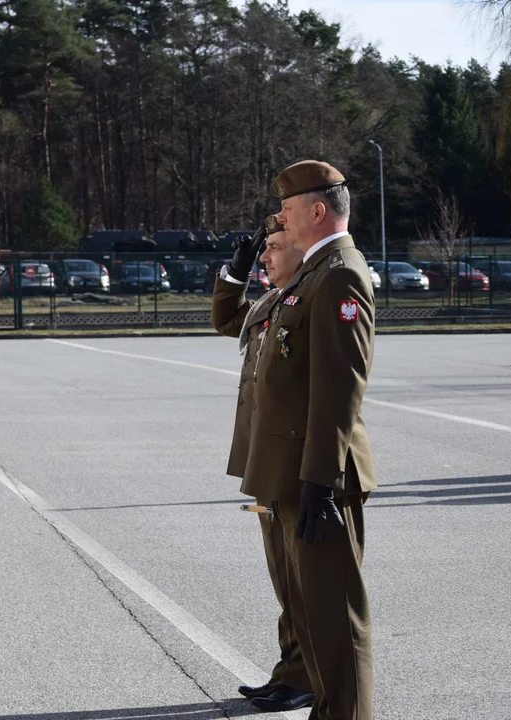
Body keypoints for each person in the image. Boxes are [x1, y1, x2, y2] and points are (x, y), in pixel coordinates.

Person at [244, 160, 377, 720]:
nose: (282, 217)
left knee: (335, 622)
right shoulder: (312, 273)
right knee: (315, 619)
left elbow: (339, 388)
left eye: (289, 209)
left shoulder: (340, 273)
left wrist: (320, 479)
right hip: (299, 473)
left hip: (320, 476)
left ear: (317, 211)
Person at [211, 215, 313, 713]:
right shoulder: (273, 303)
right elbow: (226, 319)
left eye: (274, 247)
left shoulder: (306, 302)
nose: (266, 256)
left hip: (292, 463)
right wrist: (236, 269)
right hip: (264, 463)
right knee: (282, 578)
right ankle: (290, 670)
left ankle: (308, 675)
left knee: (301, 578)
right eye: (263, 249)